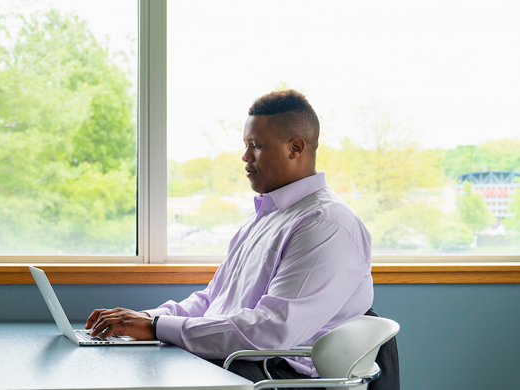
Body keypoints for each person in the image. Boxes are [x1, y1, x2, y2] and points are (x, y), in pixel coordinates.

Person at [85, 90, 374, 385]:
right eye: (246, 145)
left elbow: (272, 331)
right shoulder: (265, 216)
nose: (245, 156)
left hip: (271, 376)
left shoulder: (326, 225)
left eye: (256, 146)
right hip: (234, 363)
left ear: (295, 148)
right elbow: (212, 300)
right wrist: (141, 319)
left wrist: (157, 327)